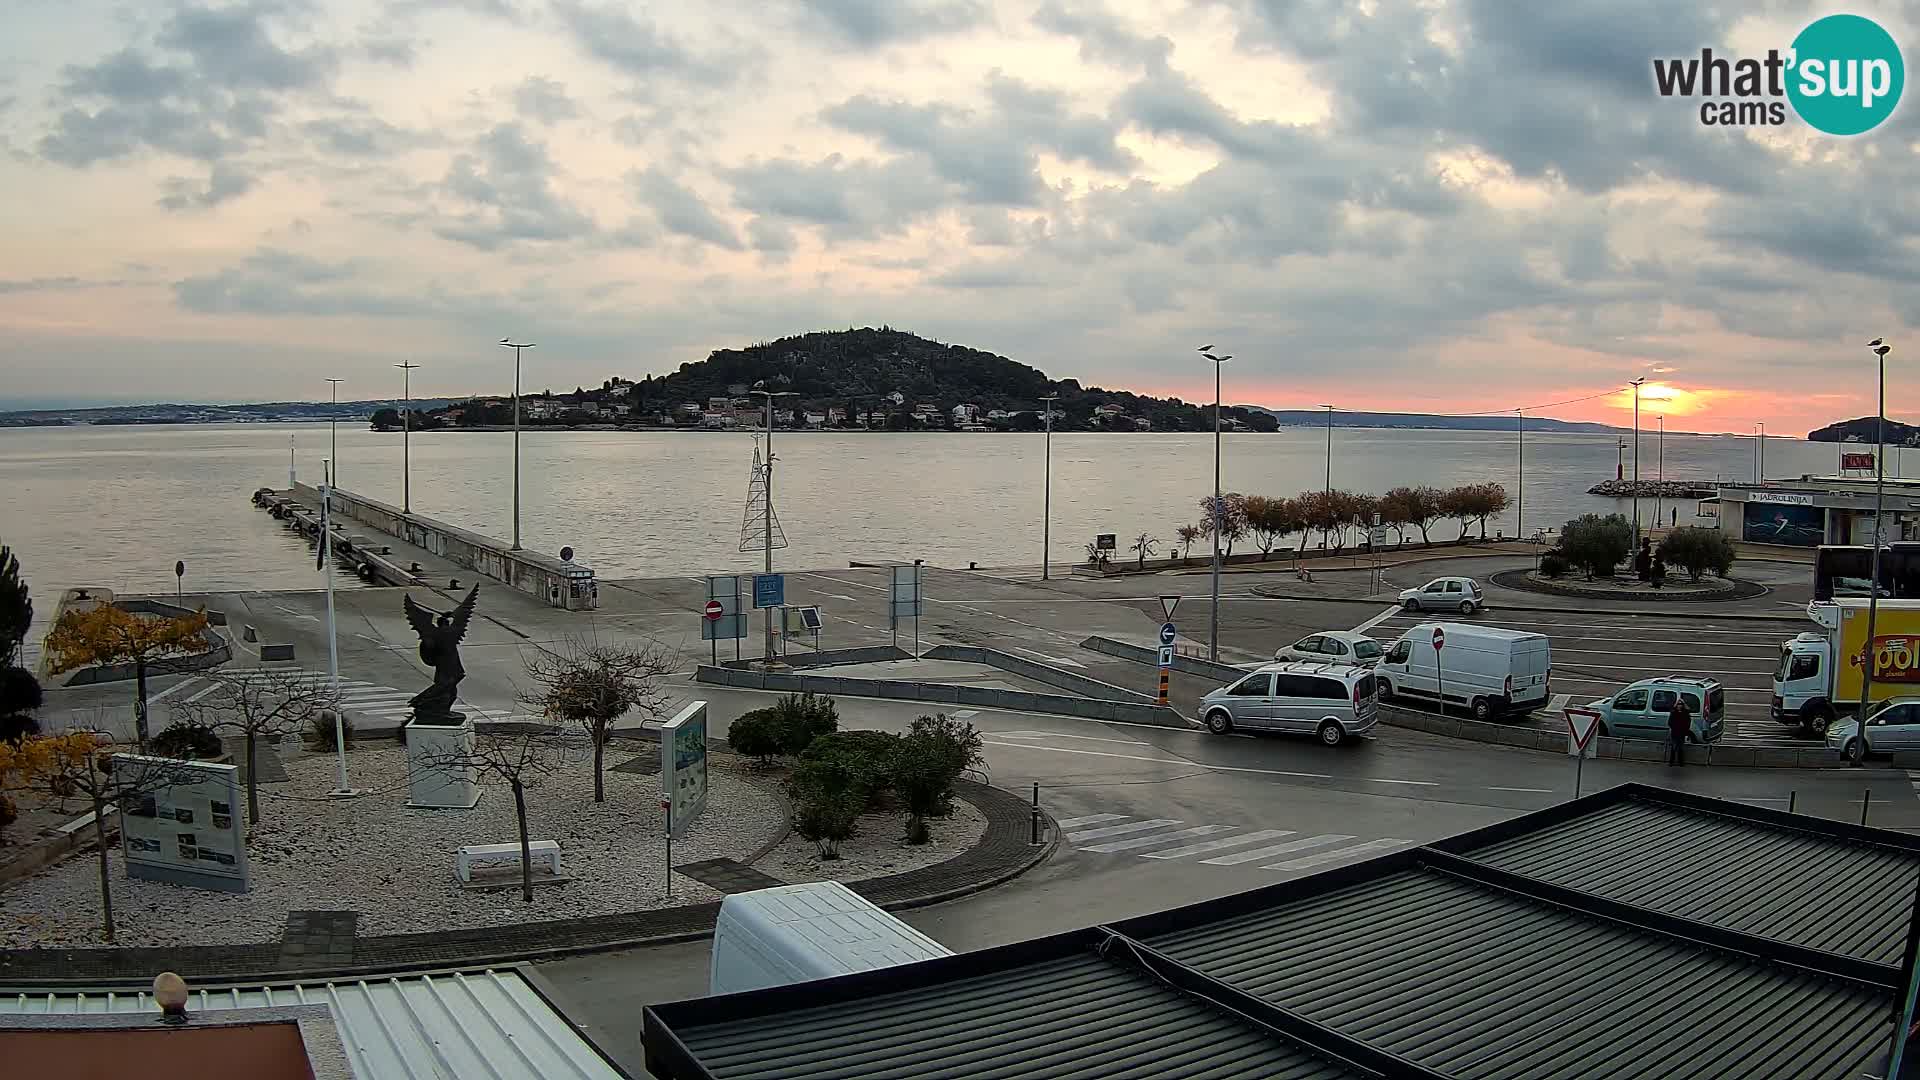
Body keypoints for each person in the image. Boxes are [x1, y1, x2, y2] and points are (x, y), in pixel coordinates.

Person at [1667, 693, 1693, 766]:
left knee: (1681, 748)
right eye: (1678, 704)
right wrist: (1674, 727)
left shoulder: (1685, 713)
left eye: (1681, 704)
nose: (1679, 706)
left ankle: (1681, 762)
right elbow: (1670, 722)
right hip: (1675, 733)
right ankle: (1671, 762)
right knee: (1674, 747)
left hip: (1682, 733)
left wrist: (1685, 730)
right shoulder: (1674, 713)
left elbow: (1688, 722)